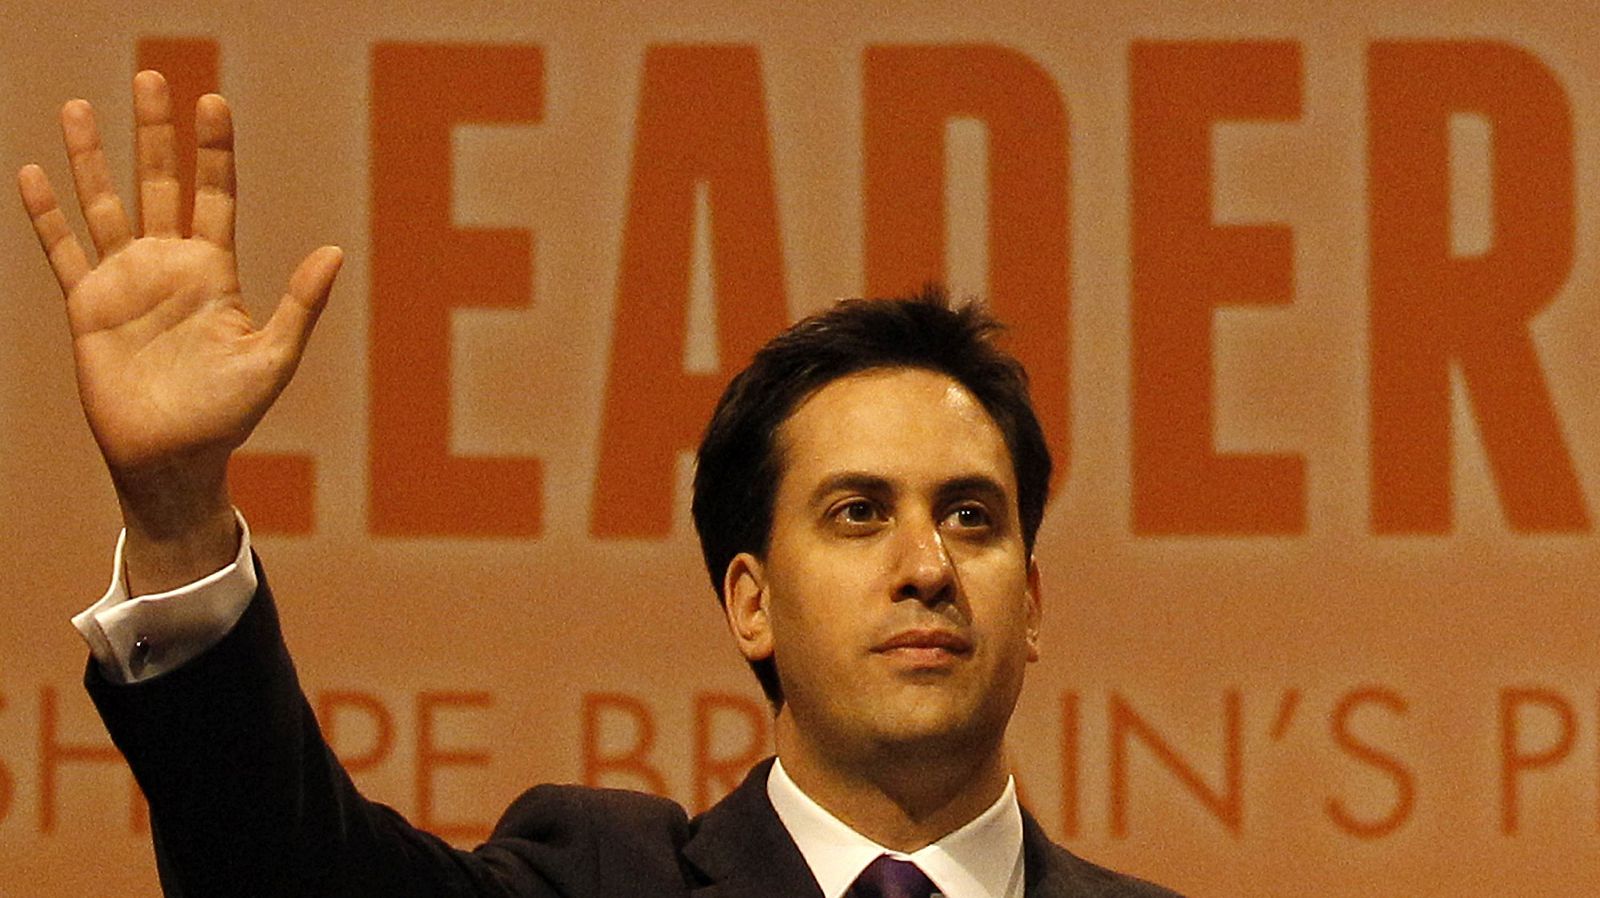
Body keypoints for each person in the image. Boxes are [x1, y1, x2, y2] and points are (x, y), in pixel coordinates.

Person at [19, 71, 1184, 898]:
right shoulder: (598, 874)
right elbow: (278, 868)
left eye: (970, 517)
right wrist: (174, 510)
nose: (926, 565)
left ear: (1030, 605)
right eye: (858, 512)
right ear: (751, 600)